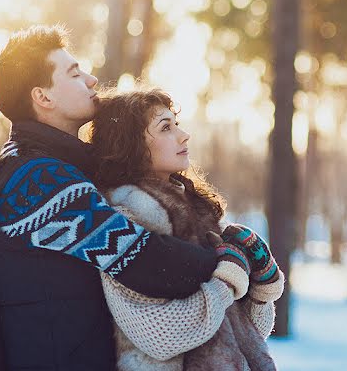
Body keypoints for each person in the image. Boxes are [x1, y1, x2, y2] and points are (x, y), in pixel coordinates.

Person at [0, 25, 220, 370]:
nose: (92, 80)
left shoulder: (59, 167)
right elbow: (139, 258)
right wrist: (228, 260)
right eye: (75, 74)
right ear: (43, 97)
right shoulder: (35, 180)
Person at [88, 87, 284, 371]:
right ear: (130, 144)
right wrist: (227, 280)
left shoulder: (197, 209)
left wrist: (261, 286)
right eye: (165, 128)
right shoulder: (124, 220)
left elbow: (248, 332)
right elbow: (161, 335)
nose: (183, 135)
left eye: (176, 125)